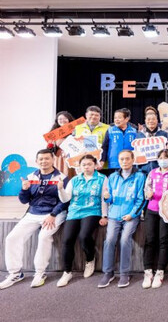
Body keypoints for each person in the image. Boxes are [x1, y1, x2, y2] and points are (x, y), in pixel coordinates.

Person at [0, 149, 68, 289]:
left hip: (54, 213)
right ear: (37, 161)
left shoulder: (61, 177)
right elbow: (24, 201)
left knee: (43, 237)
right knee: (11, 238)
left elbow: (65, 201)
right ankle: (15, 273)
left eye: (47, 159)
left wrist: (53, 214)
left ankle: (40, 273)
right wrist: (24, 190)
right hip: (33, 212)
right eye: (41, 159)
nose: (44, 161)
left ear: (53, 160)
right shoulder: (31, 176)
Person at [56, 154, 108, 287]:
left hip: (92, 211)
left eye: (89, 164)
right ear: (80, 166)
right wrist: (61, 189)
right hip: (74, 212)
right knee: (67, 240)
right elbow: (65, 199)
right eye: (84, 165)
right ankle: (67, 271)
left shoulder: (102, 178)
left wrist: (104, 216)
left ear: (95, 165)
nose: (86, 167)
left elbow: (104, 198)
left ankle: (90, 259)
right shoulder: (74, 180)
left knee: (84, 236)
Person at [98, 150, 145, 288]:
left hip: (131, 216)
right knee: (110, 240)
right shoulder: (112, 177)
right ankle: (108, 272)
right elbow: (109, 198)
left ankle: (124, 273)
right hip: (114, 215)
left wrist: (132, 214)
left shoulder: (140, 176)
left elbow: (141, 199)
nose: (124, 162)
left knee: (125, 239)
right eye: (121, 159)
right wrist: (107, 197)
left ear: (132, 159)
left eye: (127, 159)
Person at [142, 149, 168, 289]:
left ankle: (160, 271)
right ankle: (148, 271)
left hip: (167, 211)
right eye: (160, 158)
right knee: (149, 240)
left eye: (166, 157)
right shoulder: (152, 173)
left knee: (164, 240)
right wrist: (148, 193)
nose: (163, 160)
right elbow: (146, 189)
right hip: (152, 209)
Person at [100, 108, 138, 173]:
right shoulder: (110, 130)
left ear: (126, 119)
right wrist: (102, 160)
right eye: (115, 118)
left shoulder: (134, 131)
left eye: (119, 118)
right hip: (114, 164)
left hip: (130, 163)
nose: (116, 120)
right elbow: (104, 147)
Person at [135, 109, 168, 174]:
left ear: (157, 121)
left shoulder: (164, 134)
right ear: (145, 121)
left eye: (153, 119)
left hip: (160, 169)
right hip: (144, 170)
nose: (151, 121)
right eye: (148, 119)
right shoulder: (139, 136)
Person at [48, 111, 75, 176]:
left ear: (69, 119)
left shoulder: (75, 130)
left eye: (65, 118)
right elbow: (49, 148)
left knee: (71, 175)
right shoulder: (53, 132)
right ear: (57, 121)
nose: (62, 120)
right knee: (59, 175)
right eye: (60, 119)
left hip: (72, 156)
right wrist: (50, 145)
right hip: (59, 157)